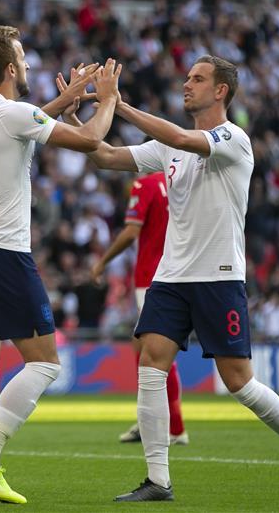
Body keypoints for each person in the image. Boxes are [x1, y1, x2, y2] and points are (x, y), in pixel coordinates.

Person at [86, 55, 279, 502]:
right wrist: (74, 118)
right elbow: (105, 156)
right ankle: (158, 481)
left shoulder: (233, 138)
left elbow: (178, 135)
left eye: (198, 79)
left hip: (218, 276)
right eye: (187, 77)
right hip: (172, 276)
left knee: (239, 382)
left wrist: (118, 105)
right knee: (151, 363)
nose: (186, 83)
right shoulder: (169, 148)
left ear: (221, 91)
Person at [0, 24, 122, 505]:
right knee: (45, 364)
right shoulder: (13, 114)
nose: (27, 67)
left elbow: (17, 127)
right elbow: (89, 141)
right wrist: (105, 98)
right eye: (23, 61)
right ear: (10, 69)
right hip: (4, 253)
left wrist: (59, 103)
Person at [90, 170, 189, 446]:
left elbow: (132, 230)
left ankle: (173, 427)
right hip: (179, 272)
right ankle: (153, 422)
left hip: (152, 277)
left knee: (157, 354)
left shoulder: (144, 183)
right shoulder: (178, 181)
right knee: (142, 347)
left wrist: (102, 262)